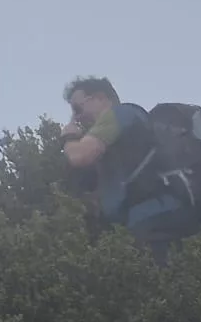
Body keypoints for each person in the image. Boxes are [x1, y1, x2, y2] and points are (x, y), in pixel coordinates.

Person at [62, 76, 192, 257]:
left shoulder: (119, 115)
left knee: (153, 278)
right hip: (153, 218)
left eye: (78, 108)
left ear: (99, 98)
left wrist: (69, 137)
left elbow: (79, 156)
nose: (76, 117)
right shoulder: (117, 139)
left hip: (150, 218)